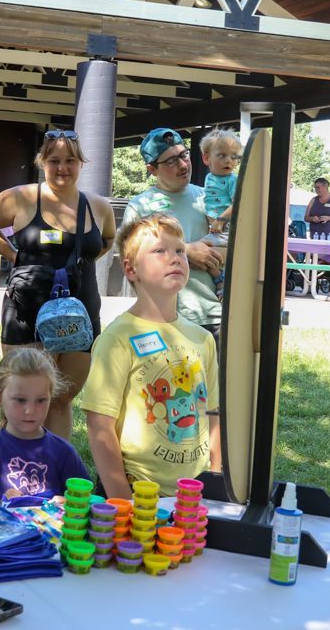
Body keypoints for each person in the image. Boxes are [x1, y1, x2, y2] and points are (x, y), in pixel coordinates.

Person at [0, 129, 116, 440]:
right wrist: (13, 255)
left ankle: (55, 464)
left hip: (82, 313)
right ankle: (14, 463)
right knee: (22, 401)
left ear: (81, 163)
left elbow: (107, 239)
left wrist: (78, 264)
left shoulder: (98, 206)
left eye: (70, 160)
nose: (62, 168)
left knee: (62, 399)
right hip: (26, 312)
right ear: (41, 162)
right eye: (54, 160)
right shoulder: (21, 197)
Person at [81, 213, 220, 499]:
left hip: (193, 497)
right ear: (131, 269)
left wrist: (217, 481)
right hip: (136, 495)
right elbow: (100, 425)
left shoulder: (203, 338)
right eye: (160, 251)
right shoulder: (117, 338)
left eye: (180, 250)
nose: (175, 258)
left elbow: (213, 414)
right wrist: (123, 502)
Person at [122, 127, 224, 350]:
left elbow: (231, 243)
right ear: (152, 169)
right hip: (160, 318)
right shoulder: (140, 206)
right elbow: (131, 262)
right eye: (171, 161)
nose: (183, 165)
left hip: (210, 316)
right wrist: (186, 251)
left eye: (183, 155)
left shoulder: (208, 198)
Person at [0, 348, 89, 502]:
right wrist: (1, 505)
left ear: (51, 398)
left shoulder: (64, 453)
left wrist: (65, 505)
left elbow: (85, 502)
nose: (30, 410)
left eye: (41, 400)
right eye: (20, 400)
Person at [199, 128, 243, 298]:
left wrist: (221, 220)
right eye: (222, 155)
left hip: (226, 227)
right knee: (203, 253)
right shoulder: (210, 178)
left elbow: (238, 202)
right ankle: (221, 278)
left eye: (234, 156)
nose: (229, 161)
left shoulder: (232, 180)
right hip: (216, 228)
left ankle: (221, 280)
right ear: (206, 158)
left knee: (198, 250)